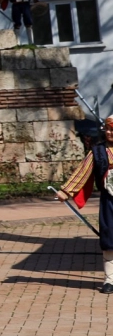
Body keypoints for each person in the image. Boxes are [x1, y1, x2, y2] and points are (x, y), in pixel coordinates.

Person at [58, 117, 113, 293]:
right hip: (109, 202)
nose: (109, 133)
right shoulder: (98, 152)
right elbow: (82, 172)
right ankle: (110, 279)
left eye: (112, 130)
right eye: (107, 129)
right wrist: (66, 191)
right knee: (109, 239)